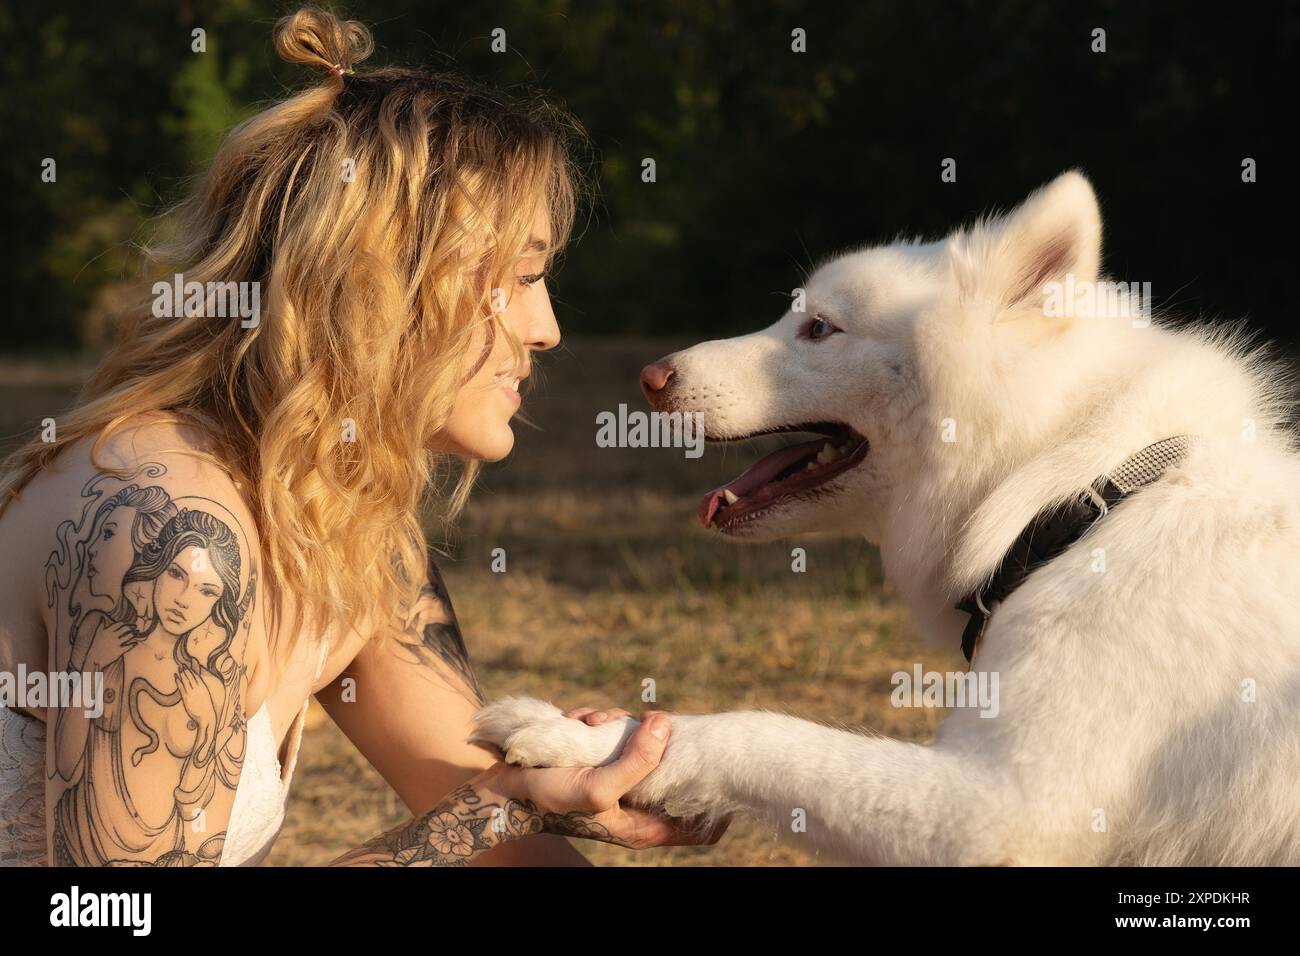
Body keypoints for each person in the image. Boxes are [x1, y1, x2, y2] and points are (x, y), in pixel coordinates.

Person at [0, 6, 719, 866]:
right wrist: (494, 813)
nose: (547, 327)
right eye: (521, 277)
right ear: (375, 288)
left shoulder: (344, 519)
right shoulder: (168, 530)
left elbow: (504, 843)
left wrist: (647, 782)